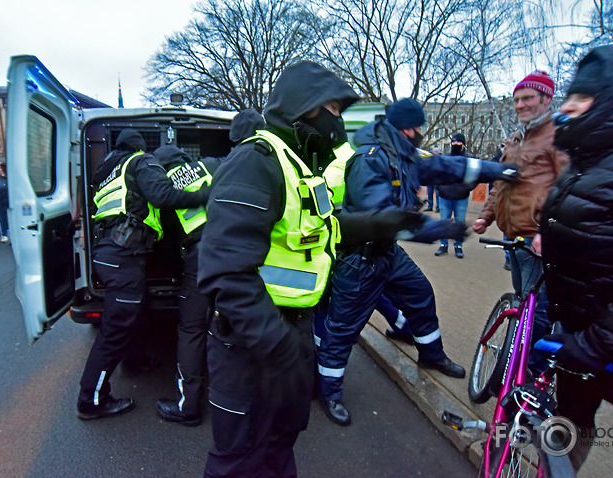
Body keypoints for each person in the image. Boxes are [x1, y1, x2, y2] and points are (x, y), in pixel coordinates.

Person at [197, 62, 427, 477]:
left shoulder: (299, 167)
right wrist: (280, 348)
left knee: (278, 447)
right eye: (334, 110)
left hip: (290, 332)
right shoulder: (257, 160)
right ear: (304, 108)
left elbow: (323, 230)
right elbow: (225, 274)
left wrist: (384, 222)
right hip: (252, 346)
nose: (339, 123)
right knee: (241, 460)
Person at [316, 98, 519, 426]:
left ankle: (432, 355)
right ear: (406, 128)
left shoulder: (402, 153)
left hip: (388, 254)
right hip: (359, 260)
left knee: (421, 295)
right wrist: (438, 228)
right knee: (342, 330)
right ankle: (329, 391)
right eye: (419, 127)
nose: (422, 132)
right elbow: (382, 217)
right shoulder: (371, 159)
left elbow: (449, 167)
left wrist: (499, 170)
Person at [536, 40, 613, 471]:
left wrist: (595, 345)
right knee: (569, 427)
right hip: (581, 339)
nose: (570, 106)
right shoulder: (588, 158)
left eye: (584, 97)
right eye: (570, 96)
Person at [76, 128, 209, 420]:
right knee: (114, 332)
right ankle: (91, 400)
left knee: (135, 313)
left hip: (108, 254)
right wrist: (205, 194)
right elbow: (162, 195)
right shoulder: (140, 160)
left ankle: (134, 362)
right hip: (124, 256)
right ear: (139, 148)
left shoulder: (106, 174)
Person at [154, 108, 266, 427]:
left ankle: (189, 406)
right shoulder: (210, 166)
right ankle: (252, 401)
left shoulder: (163, 191)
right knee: (236, 323)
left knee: (191, 329)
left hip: (201, 258)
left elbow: (164, 241)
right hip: (236, 252)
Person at [472, 70, 569, 375]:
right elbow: (501, 184)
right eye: (516, 100)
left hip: (539, 236)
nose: (520, 105)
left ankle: (531, 371)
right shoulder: (516, 138)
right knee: (524, 301)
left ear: (546, 99)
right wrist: (486, 216)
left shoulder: (558, 136)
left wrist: (547, 227)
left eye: (527, 98)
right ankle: (525, 358)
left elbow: (569, 186)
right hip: (513, 236)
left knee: (535, 308)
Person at [435, 133, 474, 258]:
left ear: (463, 144)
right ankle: (443, 245)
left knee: (459, 222)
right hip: (444, 195)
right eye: (454, 142)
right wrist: (439, 186)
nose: (456, 144)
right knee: (444, 222)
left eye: (459, 142)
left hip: (461, 196)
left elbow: (476, 175)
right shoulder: (445, 158)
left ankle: (458, 246)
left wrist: (468, 187)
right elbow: (436, 174)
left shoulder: (469, 158)